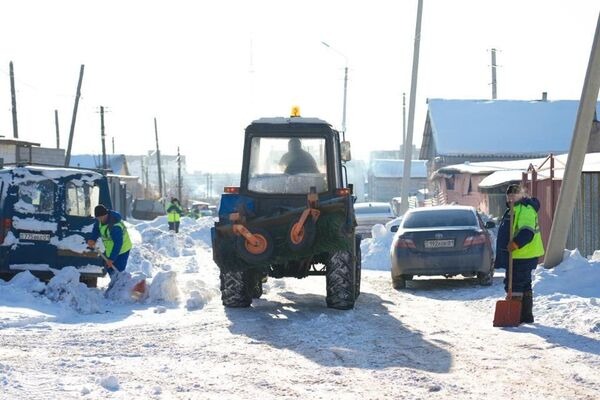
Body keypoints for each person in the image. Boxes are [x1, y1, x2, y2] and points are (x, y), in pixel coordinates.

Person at [494, 184, 545, 324]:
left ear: (521, 195)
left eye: (513, 196)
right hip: (517, 255)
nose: (510, 199)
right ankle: (525, 316)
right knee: (524, 285)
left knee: (516, 285)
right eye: (508, 196)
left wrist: (516, 243)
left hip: (523, 255)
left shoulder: (525, 209)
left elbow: (527, 232)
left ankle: (515, 315)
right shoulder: (513, 209)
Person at [87, 204, 132, 281]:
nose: (100, 220)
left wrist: (111, 259)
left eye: (102, 217)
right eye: (98, 218)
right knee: (110, 269)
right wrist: (93, 239)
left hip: (122, 250)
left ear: (106, 214)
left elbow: (118, 244)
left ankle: (120, 287)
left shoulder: (115, 226)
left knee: (118, 271)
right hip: (111, 249)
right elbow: (96, 228)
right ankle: (114, 285)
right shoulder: (100, 220)